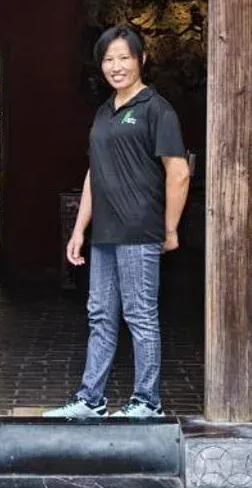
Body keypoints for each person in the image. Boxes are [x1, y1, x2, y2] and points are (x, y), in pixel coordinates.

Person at [45, 25, 191, 420]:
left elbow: (178, 171)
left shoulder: (156, 109)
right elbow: (95, 172)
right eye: (108, 59)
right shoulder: (104, 111)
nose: (116, 66)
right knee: (99, 314)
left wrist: (171, 228)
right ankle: (91, 399)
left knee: (140, 315)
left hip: (140, 231)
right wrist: (79, 230)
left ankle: (147, 401)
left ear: (141, 60)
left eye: (124, 57)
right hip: (105, 233)